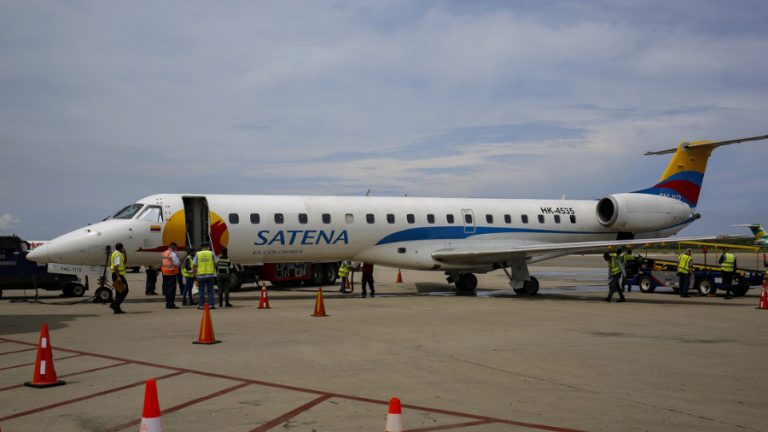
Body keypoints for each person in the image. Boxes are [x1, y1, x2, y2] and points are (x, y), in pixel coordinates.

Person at [194, 242, 218, 309]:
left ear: (201, 247)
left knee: (201, 291)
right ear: (208, 247)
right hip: (210, 275)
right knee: (210, 290)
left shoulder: (198, 254)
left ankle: (201, 305)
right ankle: (211, 305)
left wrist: (195, 276)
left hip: (200, 275)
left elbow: (194, 264)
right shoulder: (211, 253)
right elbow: (216, 263)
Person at [109, 242, 129, 314]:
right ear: (122, 247)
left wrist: (125, 254)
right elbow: (116, 266)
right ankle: (114, 304)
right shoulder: (118, 255)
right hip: (118, 275)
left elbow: (125, 262)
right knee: (125, 290)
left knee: (119, 292)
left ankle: (117, 309)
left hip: (117, 274)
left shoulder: (116, 253)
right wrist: (118, 277)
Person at [160, 242, 181, 309]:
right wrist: (178, 258)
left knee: (166, 289)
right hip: (172, 273)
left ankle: (168, 303)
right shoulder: (173, 254)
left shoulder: (164, 253)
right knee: (171, 290)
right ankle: (171, 304)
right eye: (176, 248)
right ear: (174, 247)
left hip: (165, 273)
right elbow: (177, 263)